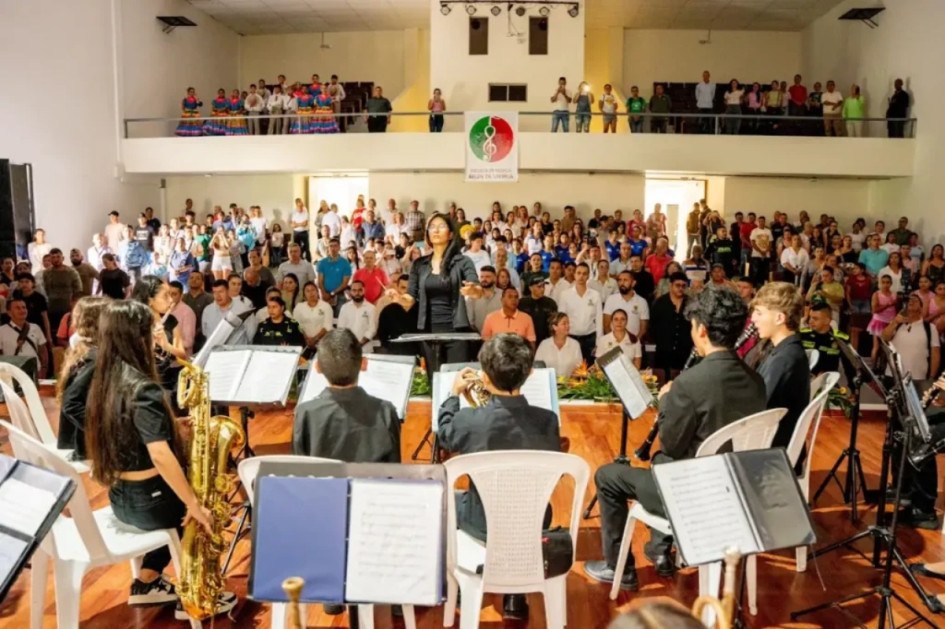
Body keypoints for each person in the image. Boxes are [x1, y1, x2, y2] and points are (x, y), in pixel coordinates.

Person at [586, 286, 766, 588]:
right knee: (665, 464)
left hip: (692, 493)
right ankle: (659, 550)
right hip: (735, 490)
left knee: (609, 476)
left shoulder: (689, 384)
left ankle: (620, 569)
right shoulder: (757, 380)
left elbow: (670, 445)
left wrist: (669, 400)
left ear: (702, 330)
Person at [84, 300, 237, 617]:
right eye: (149, 333)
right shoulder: (143, 388)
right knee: (204, 503)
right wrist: (195, 504)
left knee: (183, 495)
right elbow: (159, 454)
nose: (155, 339)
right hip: (150, 505)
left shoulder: (105, 379)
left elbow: (134, 434)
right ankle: (194, 596)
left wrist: (172, 426)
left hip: (121, 499)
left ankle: (148, 581)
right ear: (134, 338)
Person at [437, 333, 560, 621]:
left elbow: (445, 433)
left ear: (486, 376)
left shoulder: (470, 421)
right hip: (534, 520)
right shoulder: (548, 421)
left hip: (482, 523)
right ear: (529, 374)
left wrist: (454, 395)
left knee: (445, 500)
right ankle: (515, 599)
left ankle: (458, 586)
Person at [384, 213, 482, 379]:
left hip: (456, 333)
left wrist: (472, 290)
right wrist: (398, 298)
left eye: (441, 226)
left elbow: (478, 290)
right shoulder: (419, 265)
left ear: (451, 234)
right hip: (427, 333)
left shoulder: (463, 262)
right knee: (432, 381)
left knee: (455, 382)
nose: (435, 230)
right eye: (432, 227)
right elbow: (409, 300)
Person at [293, 326, 400, 463]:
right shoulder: (385, 411)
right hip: (370, 483)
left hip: (324, 484)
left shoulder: (305, 413)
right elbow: (394, 470)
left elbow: (299, 471)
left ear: (318, 367)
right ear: (364, 364)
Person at [751, 282, 811, 450]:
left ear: (779, 318)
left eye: (759, 313)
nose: (753, 318)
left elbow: (759, 408)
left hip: (771, 449)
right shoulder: (787, 351)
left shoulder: (785, 359)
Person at [56, 296, 108, 458]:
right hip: (91, 449)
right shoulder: (93, 356)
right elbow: (71, 403)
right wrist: (103, 430)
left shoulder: (87, 349)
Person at [882, 292, 940, 381]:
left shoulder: (930, 328)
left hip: (918, 377)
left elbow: (935, 354)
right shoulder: (897, 324)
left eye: (915, 300)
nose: (911, 302)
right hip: (893, 375)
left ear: (921, 308)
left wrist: (932, 378)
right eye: (909, 301)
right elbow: (884, 338)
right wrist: (894, 322)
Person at [557, 262, 603, 365]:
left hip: (590, 338)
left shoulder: (595, 295)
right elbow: (561, 320)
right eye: (579, 273)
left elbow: (599, 320)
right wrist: (562, 338)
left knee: (590, 369)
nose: (581, 276)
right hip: (571, 337)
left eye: (584, 273)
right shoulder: (565, 295)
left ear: (588, 276)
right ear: (574, 275)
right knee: (572, 368)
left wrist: (599, 342)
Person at [650, 272, 693, 376]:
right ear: (670, 285)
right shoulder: (660, 303)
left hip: (684, 351)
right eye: (677, 285)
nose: (680, 288)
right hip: (663, 350)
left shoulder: (691, 303)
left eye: (683, 286)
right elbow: (653, 326)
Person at [0, 297, 48, 377]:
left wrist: (43, 369)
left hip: (34, 371)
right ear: (9, 313)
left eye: (24, 307)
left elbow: (43, 350)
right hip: (11, 373)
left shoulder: (35, 328)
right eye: (17, 308)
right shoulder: (1, 331)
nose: (22, 310)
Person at [801, 302, 852, 376]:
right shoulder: (803, 335)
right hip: (806, 380)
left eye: (815, 319)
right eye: (810, 317)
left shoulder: (840, 338)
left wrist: (853, 387)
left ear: (827, 321)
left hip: (829, 381)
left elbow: (848, 365)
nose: (810, 321)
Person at [202, 279, 256, 345]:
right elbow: (205, 333)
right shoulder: (207, 311)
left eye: (221, 292)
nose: (217, 296)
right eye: (215, 292)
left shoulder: (244, 309)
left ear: (228, 291)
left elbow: (251, 334)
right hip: (215, 353)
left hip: (236, 352)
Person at [535, 313, 584, 377]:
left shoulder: (575, 345)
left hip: (569, 384)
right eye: (564, 323)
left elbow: (580, 368)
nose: (568, 326)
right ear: (555, 327)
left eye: (568, 323)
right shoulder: (544, 345)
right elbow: (537, 367)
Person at [293, 281, 334, 358]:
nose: (311, 293)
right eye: (307, 291)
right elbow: (297, 325)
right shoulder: (299, 307)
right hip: (305, 343)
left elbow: (327, 326)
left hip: (323, 343)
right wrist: (306, 339)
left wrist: (315, 339)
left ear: (317, 292)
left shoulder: (326, 306)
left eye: (313, 290)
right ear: (304, 295)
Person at [603, 271, 649, 338]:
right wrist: (614, 341)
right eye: (620, 280)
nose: (622, 283)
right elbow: (606, 325)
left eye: (625, 280)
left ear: (633, 283)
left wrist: (635, 342)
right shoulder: (611, 299)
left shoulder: (642, 302)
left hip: (634, 343)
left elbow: (643, 328)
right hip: (614, 343)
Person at [317, 238, 353, 317]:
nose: (333, 248)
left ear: (339, 247)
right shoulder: (322, 263)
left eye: (335, 246)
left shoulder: (345, 263)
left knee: (339, 320)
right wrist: (324, 294)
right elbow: (320, 281)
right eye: (331, 246)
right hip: (325, 295)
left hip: (340, 296)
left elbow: (344, 283)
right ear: (328, 248)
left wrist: (332, 294)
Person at [518, 276, 558, 346]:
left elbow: (554, 324)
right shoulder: (521, 303)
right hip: (526, 342)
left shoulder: (551, 303)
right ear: (530, 288)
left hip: (546, 342)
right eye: (539, 287)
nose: (542, 289)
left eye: (543, 286)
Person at [337, 281, 377, 349]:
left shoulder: (371, 308)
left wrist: (360, 344)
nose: (357, 293)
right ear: (350, 292)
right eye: (354, 290)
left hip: (366, 349)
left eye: (360, 290)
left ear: (364, 291)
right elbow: (341, 328)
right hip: (348, 349)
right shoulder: (345, 307)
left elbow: (372, 329)